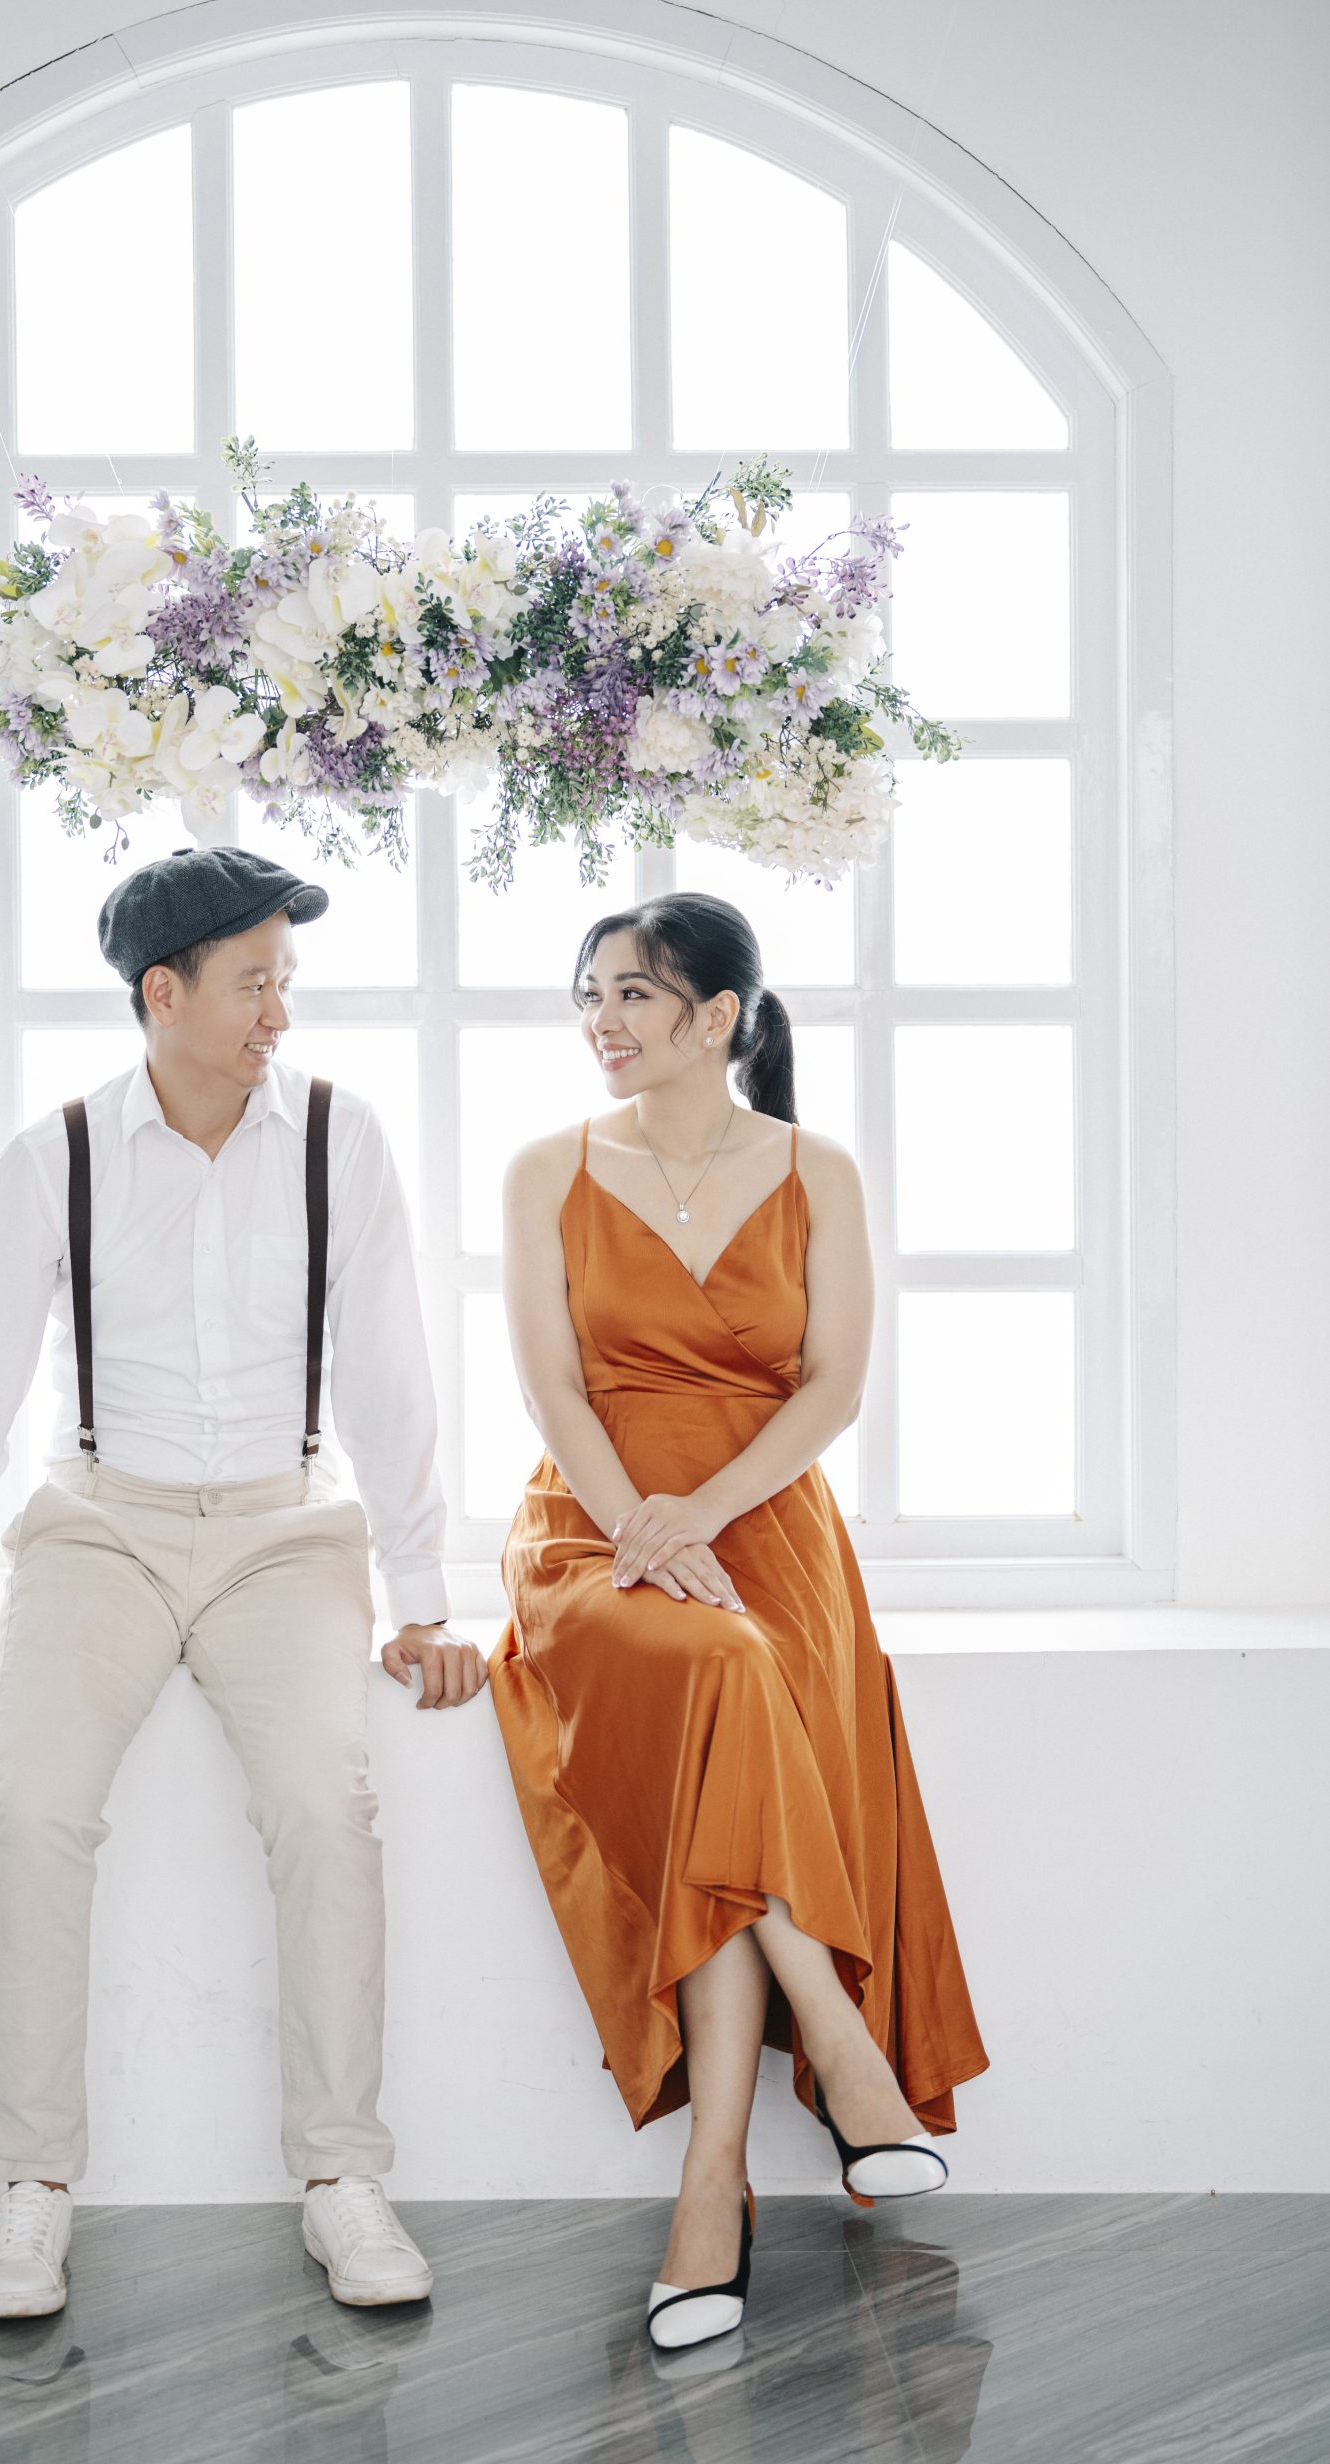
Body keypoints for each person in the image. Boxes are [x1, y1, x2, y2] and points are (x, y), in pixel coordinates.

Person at [0, 843, 487, 2321]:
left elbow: (389, 1377)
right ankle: (32, 2189)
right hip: (101, 1526)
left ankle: (342, 2176)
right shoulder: (55, 1155)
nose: (280, 1013)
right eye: (255, 983)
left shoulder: (341, 1137)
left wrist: (423, 1594)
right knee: (34, 1811)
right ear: (163, 993)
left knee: (327, 1807)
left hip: (285, 1530)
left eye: (285, 981)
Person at [490, 892, 989, 2351]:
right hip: (593, 1524)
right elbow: (553, 1390)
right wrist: (643, 1527)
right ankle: (841, 2049)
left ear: (718, 1017)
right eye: (591, 995)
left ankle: (712, 2185)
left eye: (633, 994)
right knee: (714, 1669)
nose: (602, 1021)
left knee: (734, 1682)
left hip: (765, 1522)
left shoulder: (817, 1169)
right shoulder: (545, 1170)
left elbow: (833, 1387)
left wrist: (700, 1514)